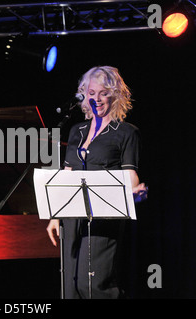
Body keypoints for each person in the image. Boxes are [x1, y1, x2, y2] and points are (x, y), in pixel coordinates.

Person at [46, 66, 148, 299]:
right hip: (73, 217)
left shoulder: (126, 132)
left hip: (104, 216)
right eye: (92, 93)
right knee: (70, 289)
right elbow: (68, 173)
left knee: (92, 286)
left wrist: (134, 193)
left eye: (103, 93)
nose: (97, 99)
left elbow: (130, 174)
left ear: (114, 94)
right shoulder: (76, 131)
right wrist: (55, 216)